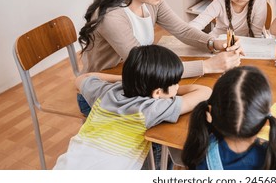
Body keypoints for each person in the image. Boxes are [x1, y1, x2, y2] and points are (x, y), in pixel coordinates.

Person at [77, 0, 241, 115]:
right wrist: (207, 66)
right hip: (105, 93)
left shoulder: (152, 1)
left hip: (138, 84)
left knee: (199, 101)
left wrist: (214, 43)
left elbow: (182, 30)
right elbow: (144, 66)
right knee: (188, 112)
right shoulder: (112, 16)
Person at [54, 44, 212, 169]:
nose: (177, 86)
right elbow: (204, 91)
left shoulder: (105, 92)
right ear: (157, 92)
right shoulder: (151, 108)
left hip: (68, 164)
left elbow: (83, 77)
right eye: (175, 83)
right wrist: (170, 94)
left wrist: (125, 81)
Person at [181, 66, 276, 170]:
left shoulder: (199, 150)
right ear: (264, 122)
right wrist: (269, 117)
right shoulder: (275, 156)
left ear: (210, 113)